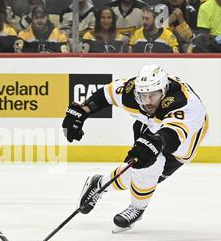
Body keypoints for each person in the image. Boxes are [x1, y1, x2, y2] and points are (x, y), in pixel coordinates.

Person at [62, 64, 208, 232]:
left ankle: (99, 183)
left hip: (184, 139)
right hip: (149, 127)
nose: (147, 102)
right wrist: (83, 109)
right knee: (147, 168)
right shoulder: (130, 92)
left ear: (164, 90)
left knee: (141, 176)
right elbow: (106, 94)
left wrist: (157, 142)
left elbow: (173, 135)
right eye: (143, 95)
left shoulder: (185, 104)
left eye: (153, 95)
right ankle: (137, 208)